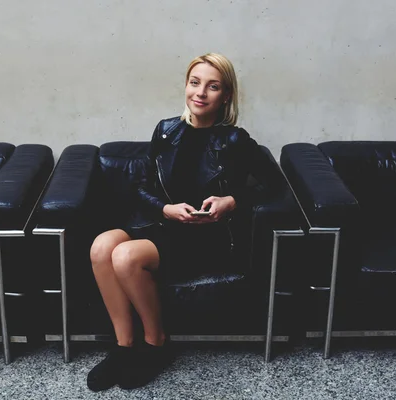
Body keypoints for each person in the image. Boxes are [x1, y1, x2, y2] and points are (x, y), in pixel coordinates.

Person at [87, 53, 279, 391]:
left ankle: (156, 343)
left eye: (213, 86)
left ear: (226, 96)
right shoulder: (166, 130)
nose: (201, 92)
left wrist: (231, 201)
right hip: (161, 223)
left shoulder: (234, 140)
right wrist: (165, 209)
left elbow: (274, 185)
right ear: (186, 87)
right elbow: (142, 186)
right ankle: (123, 347)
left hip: (204, 235)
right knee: (102, 246)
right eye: (195, 83)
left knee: (125, 256)